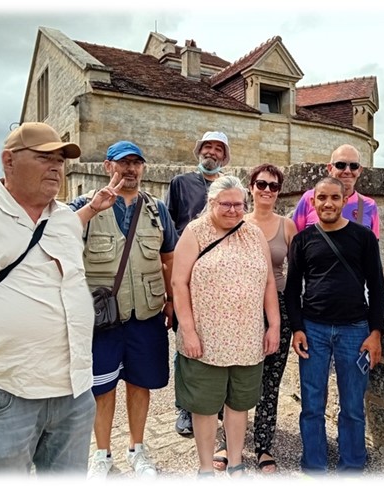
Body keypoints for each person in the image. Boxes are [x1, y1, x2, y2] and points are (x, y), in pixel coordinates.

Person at [0, 122, 97, 476]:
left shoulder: (66, 221)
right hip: (8, 391)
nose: (56, 167)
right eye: (44, 157)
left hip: (74, 392)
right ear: (8, 161)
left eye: (59, 159)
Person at [68, 141, 179, 479]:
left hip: (145, 315)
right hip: (102, 320)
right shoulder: (84, 206)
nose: (130, 169)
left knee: (140, 383)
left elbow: (168, 258)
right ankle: (101, 454)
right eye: (123, 163)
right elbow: (59, 238)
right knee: (101, 388)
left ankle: (138, 448)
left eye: (136, 163)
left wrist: (172, 300)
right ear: (107, 167)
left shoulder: (157, 210)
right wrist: (91, 210)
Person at [171, 175, 281, 478]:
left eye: (238, 204)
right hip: (205, 339)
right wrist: (189, 331)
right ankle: (206, 468)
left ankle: (235, 463)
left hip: (247, 338)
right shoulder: (195, 232)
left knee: (239, 403)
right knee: (204, 406)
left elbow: (269, 281)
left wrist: (274, 324)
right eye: (226, 204)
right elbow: (179, 283)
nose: (233, 210)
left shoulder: (254, 234)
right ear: (212, 203)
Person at [285, 176, 384, 475]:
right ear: (313, 202)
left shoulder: (363, 238)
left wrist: (376, 332)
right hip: (313, 328)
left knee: (353, 405)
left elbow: (377, 287)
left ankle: (352, 466)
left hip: (355, 329)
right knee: (312, 403)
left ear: (344, 201)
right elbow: (292, 289)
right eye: (322, 198)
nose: (328, 203)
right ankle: (314, 465)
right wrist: (297, 328)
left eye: (334, 198)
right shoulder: (303, 240)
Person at [211, 164, 297, 474]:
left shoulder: (287, 227)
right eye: (262, 183)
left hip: (279, 307)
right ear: (251, 187)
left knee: (270, 380)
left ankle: (263, 446)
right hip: (241, 307)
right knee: (231, 377)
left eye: (274, 186)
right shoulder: (236, 222)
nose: (267, 190)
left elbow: (297, 275)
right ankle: (226, 442)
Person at [164, 130, 231, 437]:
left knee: (215, 339)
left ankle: (213, 403)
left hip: (219, 277)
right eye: (208, 147)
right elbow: (170, 230)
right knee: (186, 342)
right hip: (188, 274)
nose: (212, 152)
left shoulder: (228, 188)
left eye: (218, 149)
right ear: (199, 151)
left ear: (224, 157)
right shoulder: (181, 184)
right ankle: (186, 408)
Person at [291, 144, 380, 238]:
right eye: (341, 165)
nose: (347, 171)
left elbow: (373, 247)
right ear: (330, 168)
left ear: (359, 170)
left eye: (354, 166)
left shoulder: (369, 205)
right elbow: (294, 240)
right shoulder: (309, 198)